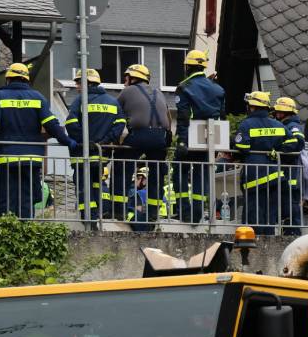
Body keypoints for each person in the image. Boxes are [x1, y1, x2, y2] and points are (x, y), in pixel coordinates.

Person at [0, 61, 74, 219]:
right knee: (27, 199)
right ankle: (25, 233)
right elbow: (52, 125)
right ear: (27, 80)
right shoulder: (38, 98)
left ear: (8, 79)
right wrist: (69, 142)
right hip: (31, 160)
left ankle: (6, 234)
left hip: (6, 159)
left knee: (4, 199)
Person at [170, 49, 226, 223]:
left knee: (179, 171)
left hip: (189, 138)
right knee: (201, 175)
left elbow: (183, 117)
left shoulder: (184, 87)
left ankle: (184, 212)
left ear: (188, 67)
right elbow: (221, 117)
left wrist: (180, 141)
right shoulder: (218, 89)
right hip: (210, 140)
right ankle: (197, 214)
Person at [63, 69, 125, 222]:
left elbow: (70, 124)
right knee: (97, 184)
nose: (76, 87)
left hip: (82, 155)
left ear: (87, 83)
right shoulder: (112, 101)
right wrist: (104, 141)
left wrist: (84, 142)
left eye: (78, 83)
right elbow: (120, 124)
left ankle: (88, 217)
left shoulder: (80, 101)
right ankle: (99, 212)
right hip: (101, 153)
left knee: (84, 186)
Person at [230, 90, 295, 235]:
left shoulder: (247, 124)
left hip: (255, 175)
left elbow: (242, 147)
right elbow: (294, 142)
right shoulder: (277, 124)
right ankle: (269, 242)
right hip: (274, 175)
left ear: (252, 107)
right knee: (270, 214)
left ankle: (255, 243)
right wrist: (277, 149)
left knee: (254, 213)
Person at [116, 62, 171, 227]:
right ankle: (153, 213)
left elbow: (116, 116)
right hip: (161, 137)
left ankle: (118, 210)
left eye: (126, 77)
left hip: (140, 134)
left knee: (121, 166)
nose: (124, 80)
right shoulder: (159, 93)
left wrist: (114, 138)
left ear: (132, 78)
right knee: (157, 171)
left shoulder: (126, 92)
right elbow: (168, 118)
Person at [272, 96, 308, 233]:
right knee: (285, 205)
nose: (276, 114)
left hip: (291, 175)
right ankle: (289, 230)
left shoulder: (293, 126)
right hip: (286, 174)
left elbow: (298, 142)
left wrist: (280, 151)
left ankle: (293, 233)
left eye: (278, 111)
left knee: (292, 206)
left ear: (285, 112)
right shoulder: (285, 124)